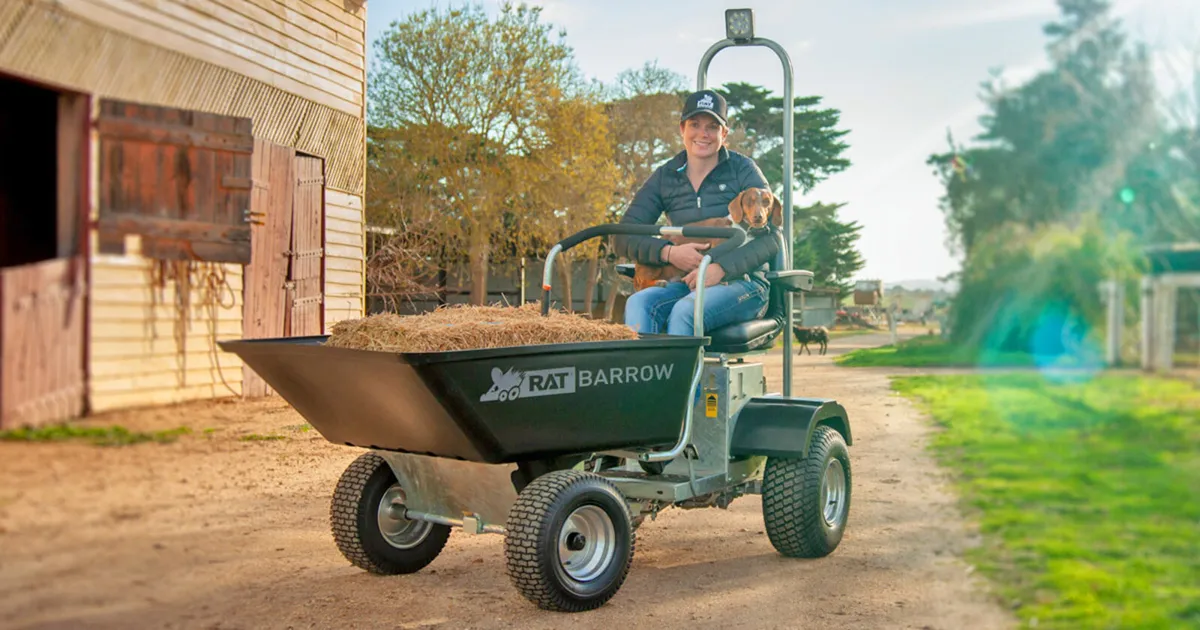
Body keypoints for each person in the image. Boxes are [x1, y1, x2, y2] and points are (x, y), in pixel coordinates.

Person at [615, 89, 780, 336]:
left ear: (724, 134)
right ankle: (648, 373)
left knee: (686, 311)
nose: (703, 134)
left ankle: (686, 375)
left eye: (712, 127)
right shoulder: (665, 176)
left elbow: (772, 238)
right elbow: (622, 237)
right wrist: (668, 252)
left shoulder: (743, 170)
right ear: (682, 129)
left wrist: (721, 268)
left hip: (742, 283)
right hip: (686, 282)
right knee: (638, 303)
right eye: (695, 124)